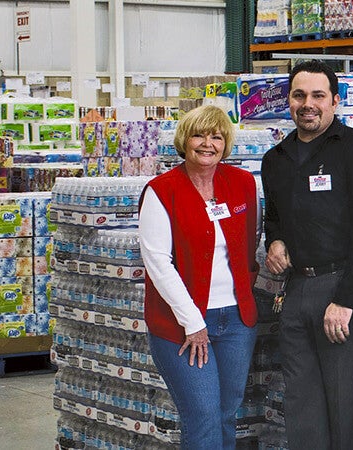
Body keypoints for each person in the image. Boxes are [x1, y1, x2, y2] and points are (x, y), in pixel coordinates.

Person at [261, 60, 353, 449]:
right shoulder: (276, 158)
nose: (308, 104)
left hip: (344, 289)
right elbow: (275, 219)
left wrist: (345, 299)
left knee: (345, 405)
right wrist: (275, 242)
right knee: (301, 405)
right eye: (299, 95)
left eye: (318, 95)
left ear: (335, 100)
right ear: (288, 100)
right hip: (296, 289)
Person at [138, 104, 260, 450]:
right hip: (181, 325)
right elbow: (158, 263)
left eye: (217, 137)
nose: (208, 144)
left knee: (226, 414)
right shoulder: (161, 191)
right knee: (203, 417)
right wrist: (192, 322)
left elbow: (252, 240)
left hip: (237, 320)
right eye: (199, 135)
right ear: (184, 141)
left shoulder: (243, 184)